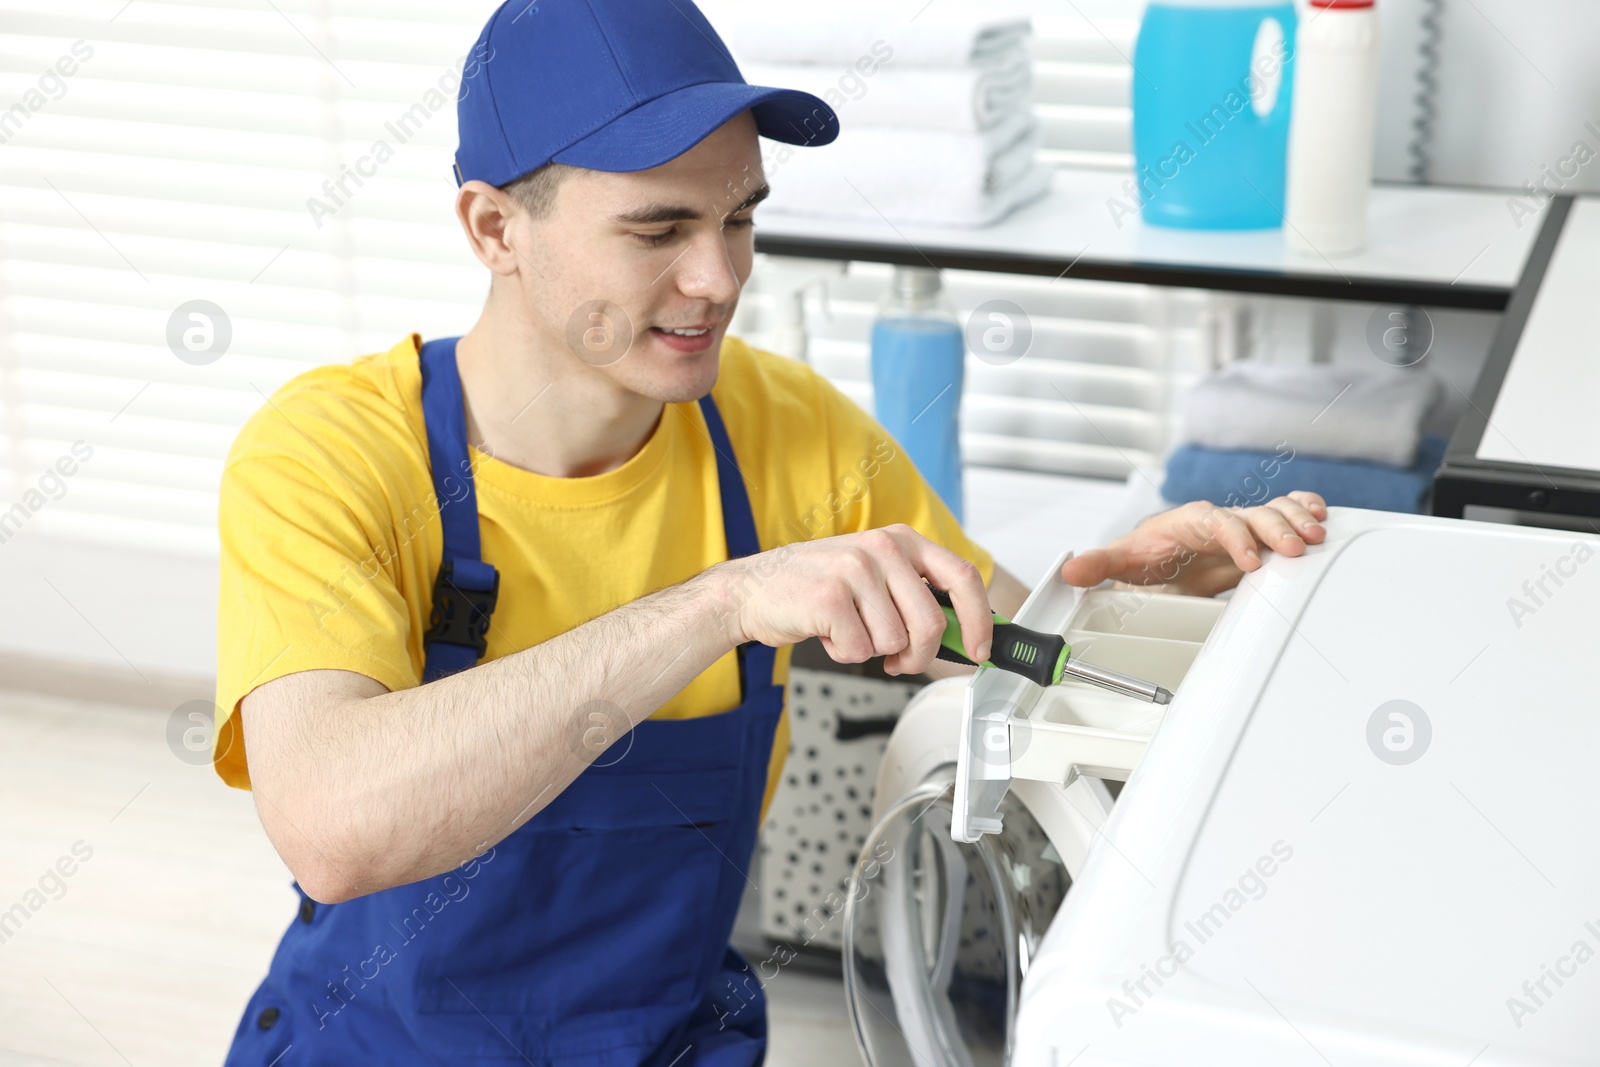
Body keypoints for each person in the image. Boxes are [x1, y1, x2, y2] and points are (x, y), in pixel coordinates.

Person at [212, 0, 1329, 1063]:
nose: (719, 277)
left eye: (738, 217)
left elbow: (1006, 646)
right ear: (495, 226)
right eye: (658, 229)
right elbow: (333, 826)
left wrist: (1135, 604)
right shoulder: (332, 455)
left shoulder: (778, 430)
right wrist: (722, 601)